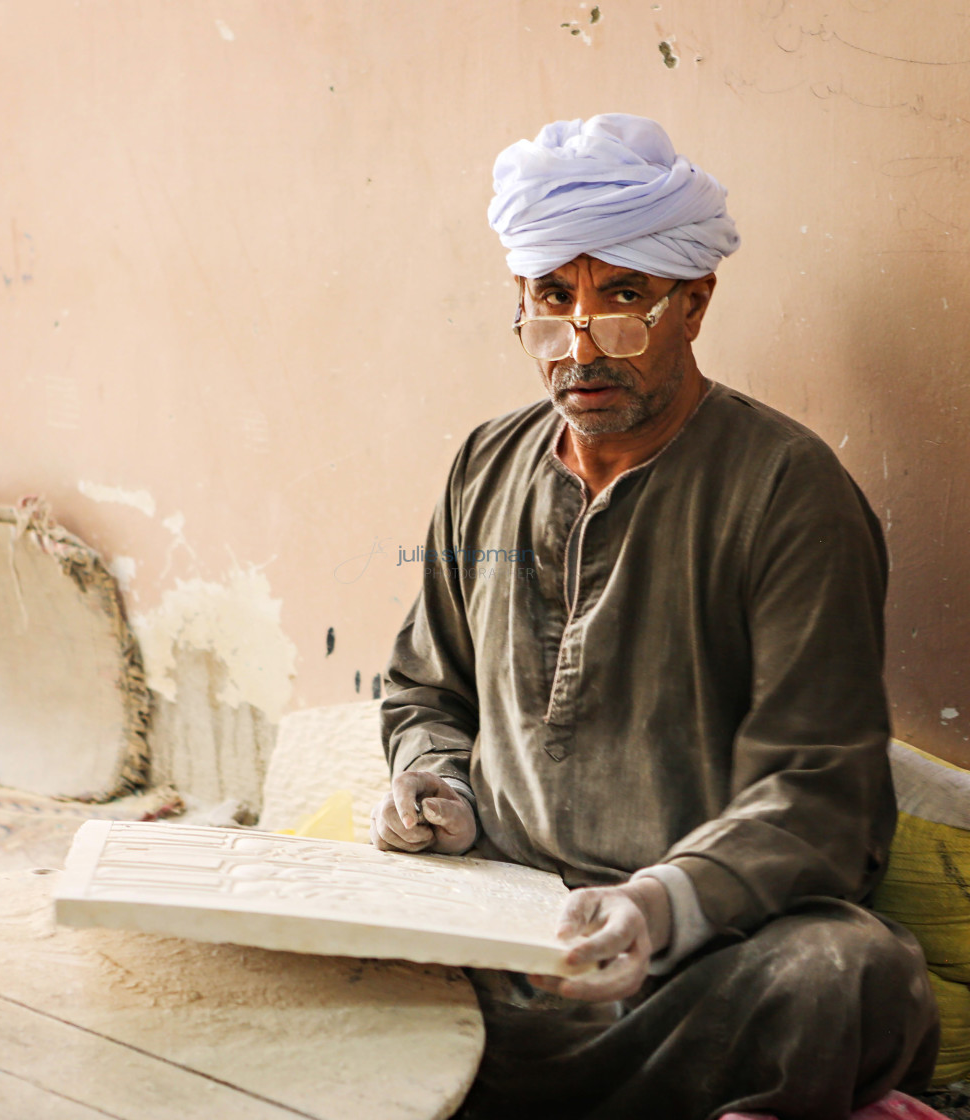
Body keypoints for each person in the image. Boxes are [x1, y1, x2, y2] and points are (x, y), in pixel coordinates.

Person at [370, 113, 939, 1120]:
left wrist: (658, 905)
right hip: (492, 932)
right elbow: (425, 687)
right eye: (552, 303)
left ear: (694, 301)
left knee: (848, 976)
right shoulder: (481, 467)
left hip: (684, 957)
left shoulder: (786, 491)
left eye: (622, 299)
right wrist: (437, 781)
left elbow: (824, 797)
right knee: (298, 963)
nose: (580, 349)